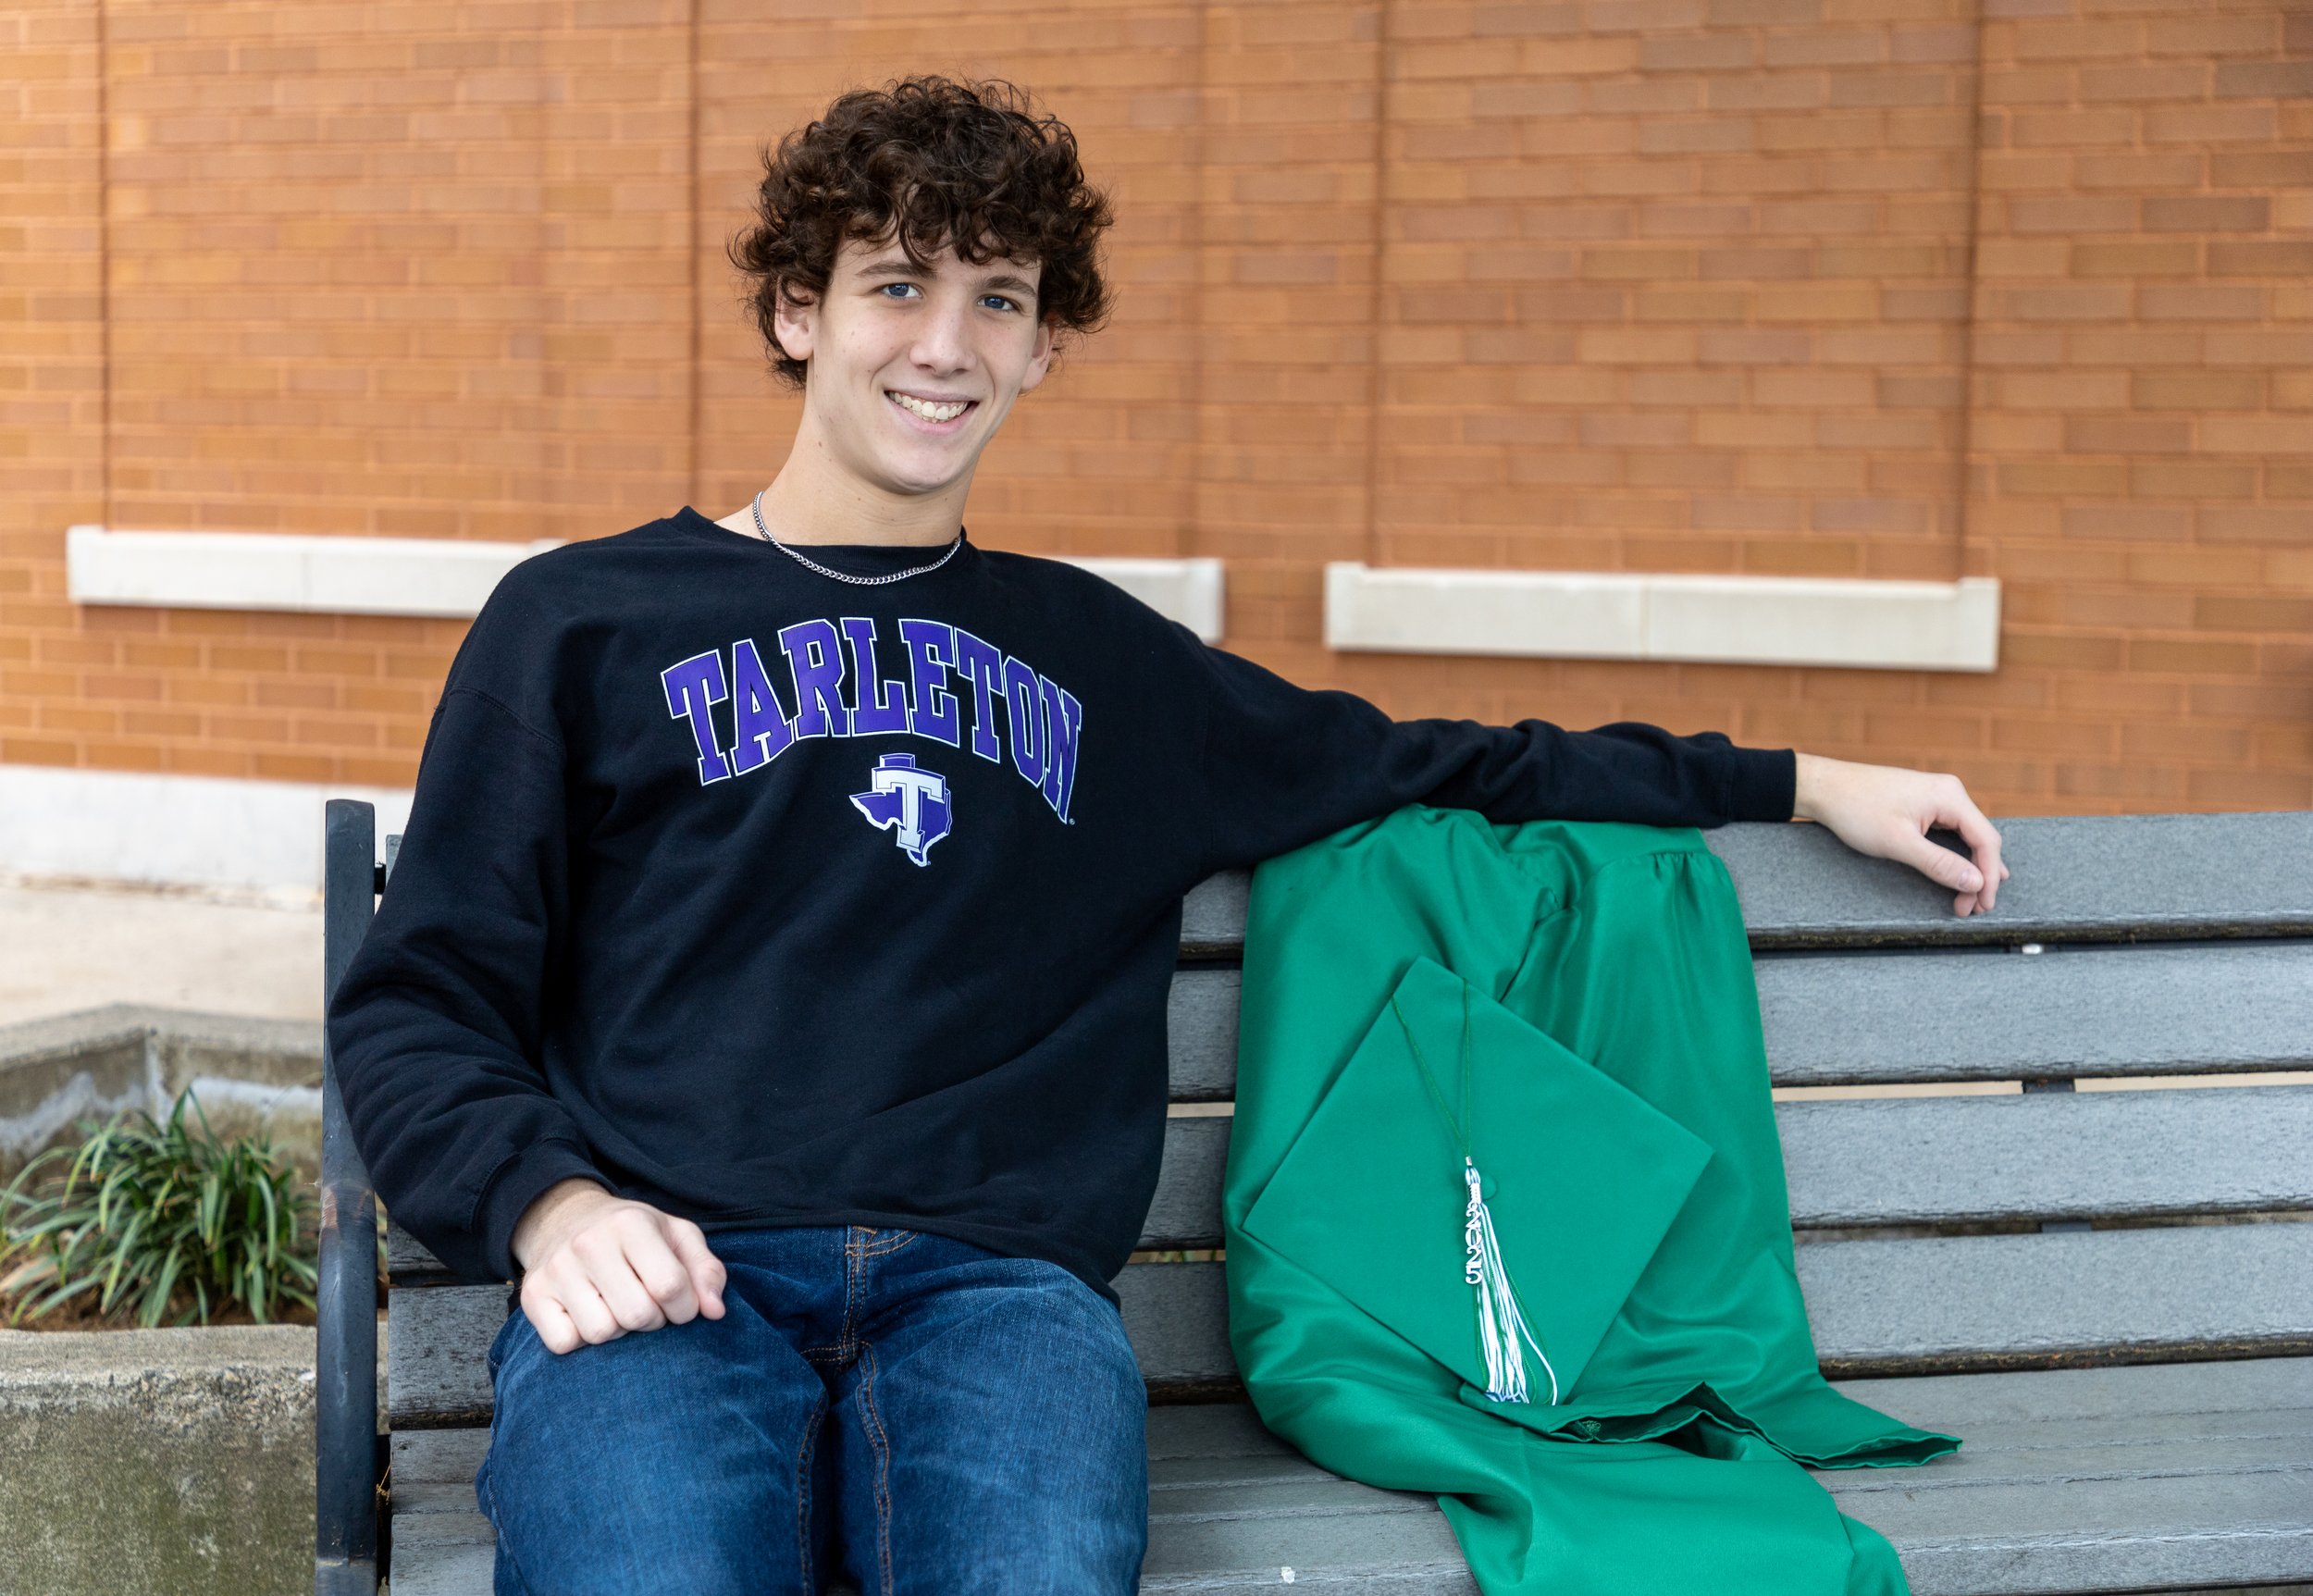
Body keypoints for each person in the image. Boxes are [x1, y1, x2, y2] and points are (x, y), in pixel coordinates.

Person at [326, 74, 2008, 1596]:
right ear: (797, 308)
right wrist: (552, 1208)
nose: (946, 345)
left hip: (992, 1294)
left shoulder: (1113, 669)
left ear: (1044, 347)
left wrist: (1803, 782)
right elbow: (420, 1000)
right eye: (897, 285)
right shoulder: (584, 622)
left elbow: (1454, 760)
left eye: (999, 299)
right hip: (666, 1273)